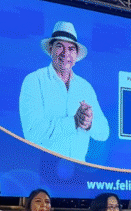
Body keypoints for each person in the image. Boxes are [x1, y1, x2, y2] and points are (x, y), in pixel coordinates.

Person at [19, 21, 109, 161]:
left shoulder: (85, 87)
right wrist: (74, 122)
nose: (65, 53)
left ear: (76, 55)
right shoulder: (34, 81)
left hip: (79, 169)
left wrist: (89, 123)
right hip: (43, 168)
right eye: (59, 46)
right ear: (51, 49)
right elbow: (32, 133)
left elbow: (104, 133)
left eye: (71, 49)